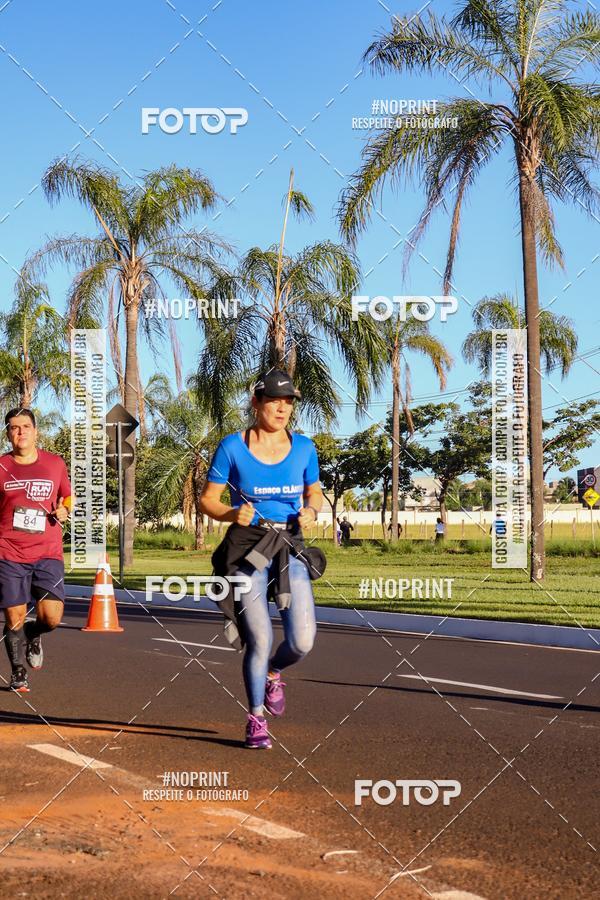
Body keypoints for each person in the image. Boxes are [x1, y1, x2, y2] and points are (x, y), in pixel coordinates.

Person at [200, 370, 325, 750]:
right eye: (274, 401)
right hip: (247, 549)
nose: (282, 409)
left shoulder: (304, 448)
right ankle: (256, 718)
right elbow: (207, 500)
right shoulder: (232, 447)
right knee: (260, 636)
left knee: (302, 641)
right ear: (256, 403)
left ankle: (274, 671)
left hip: (288, 545)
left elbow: (314, 492)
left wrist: (311, 511)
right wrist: (229, 513)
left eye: (288, 402)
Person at [0, 408, 71, 692]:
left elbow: (67, 495)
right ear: (8, 433)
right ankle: (18, 672)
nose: (20, 432)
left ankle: (34, 631)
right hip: (9, 552)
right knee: (14, 615)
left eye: (26, 426)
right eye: (14, 427)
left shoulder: (55, 463)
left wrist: (65, 509)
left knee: (51, 618)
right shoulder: (1, 465)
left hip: (47, 552)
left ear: (35, 430)